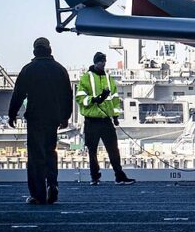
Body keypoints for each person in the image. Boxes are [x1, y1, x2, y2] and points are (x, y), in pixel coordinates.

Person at [8, 38, 73, 205]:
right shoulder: (60, 69)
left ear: (34, 50)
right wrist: (65, 117)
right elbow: (67, 95)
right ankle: (52, 184)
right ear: (49, 49)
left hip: (35, 117)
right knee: (50, 152)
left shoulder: (28, 69)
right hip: (53, 118)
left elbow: (18, 94)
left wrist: (12, 114)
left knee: (36, 156)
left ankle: (38, 194)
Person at [76, 52, 135, 186]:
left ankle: (119, 176)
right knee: (92, 151)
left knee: (113, 149)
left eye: (104, 61)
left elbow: (115, 98)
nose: (103, 64)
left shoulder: (108, 78)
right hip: (92, 120)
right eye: (100, 61)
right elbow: (80, 97)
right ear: (95, 62)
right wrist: (94, 99)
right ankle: (94, 177)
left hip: (106, 120)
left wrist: (115, 116)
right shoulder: (86, 77)